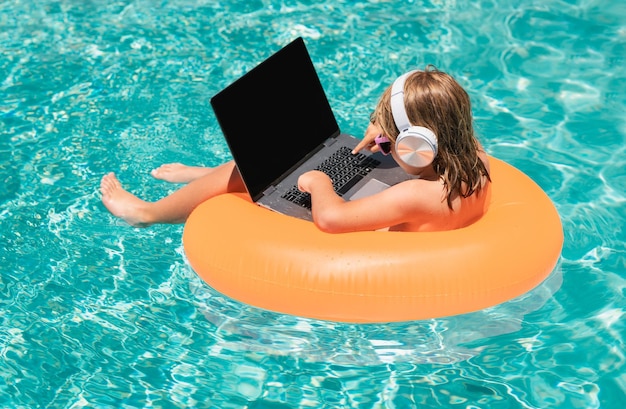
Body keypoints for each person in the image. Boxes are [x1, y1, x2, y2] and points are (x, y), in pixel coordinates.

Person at [100, 66, 491, 233]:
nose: (383, 142)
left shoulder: (416, 194)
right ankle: (208, 176)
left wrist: (320, 182)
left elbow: (332, 220)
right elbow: (440, 129)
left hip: (357, 241)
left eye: (392, 137)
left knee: (276, 171)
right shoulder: (477, 161)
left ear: (417, 145)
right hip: (422, 174)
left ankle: (146, 213)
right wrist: (387, 131)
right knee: (273, 165)